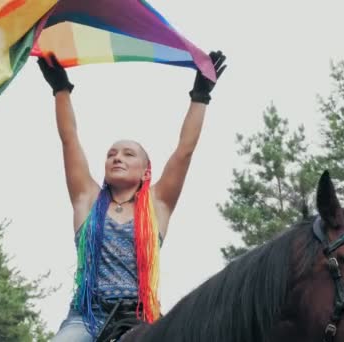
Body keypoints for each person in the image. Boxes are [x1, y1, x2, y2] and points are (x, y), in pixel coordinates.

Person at [37, 51, 227, 341]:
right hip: (87, 318)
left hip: (141, 317)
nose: (117, 158)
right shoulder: (86, 199)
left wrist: (200, 96)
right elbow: (69, 139)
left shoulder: (157, 204)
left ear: (144, 170)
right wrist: (61, 89)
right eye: (111, 154)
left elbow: (184, 151)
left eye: (128, 154)